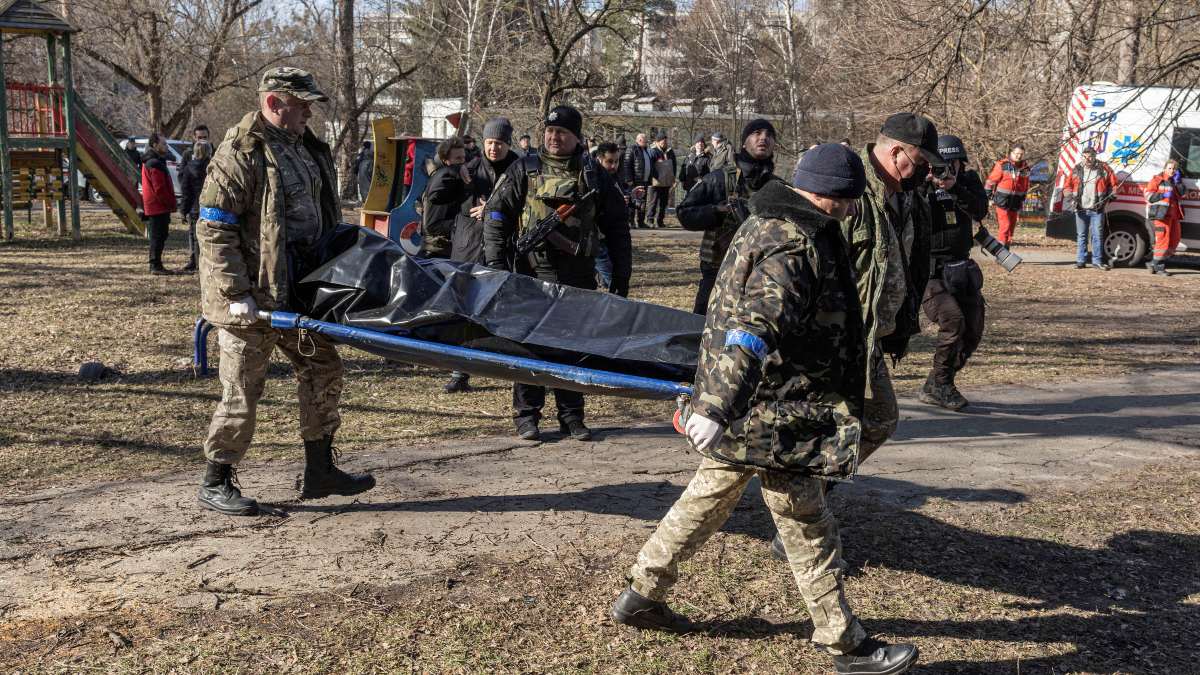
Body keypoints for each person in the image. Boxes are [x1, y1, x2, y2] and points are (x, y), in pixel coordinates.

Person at [610, 144, 919, 675]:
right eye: (845, 201)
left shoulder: (766, 222)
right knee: (806, 519)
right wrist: (716, 406)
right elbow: (754, 330)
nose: (850, 211)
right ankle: (844, 643)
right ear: (824, 195)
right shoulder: (794, 246)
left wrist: (719, 403)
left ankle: (643, 591)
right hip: (776, 409)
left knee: (707, 497)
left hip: (755, 405)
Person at [195, 66, 376, 516]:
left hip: (297, 291)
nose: (309, 113)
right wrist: (237, 291)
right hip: (250, 299)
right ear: (274, 103)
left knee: (323, 368)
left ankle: (320, 471)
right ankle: (216, 480)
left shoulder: (305, 148)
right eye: (302, 105)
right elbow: (215, 229)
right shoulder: (241, 152)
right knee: (242, 389)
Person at [769, 113, 943, 562]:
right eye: (921, 161)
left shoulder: (907, 196)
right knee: (833, 429)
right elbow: (813, 256)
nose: (926, 170)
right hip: (839, 337)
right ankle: (799, 526)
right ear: (896, 152)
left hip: (871, 337)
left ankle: (806, 505)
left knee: (876, 421)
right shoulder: (848, 188)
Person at [482, 104, 629, 442]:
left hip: (578, 273)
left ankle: (572, 416)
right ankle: (527, 416)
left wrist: (621, 276)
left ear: (576, 136)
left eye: (561, 132)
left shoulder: (593, 174)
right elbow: (496, 215)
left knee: (572, 347)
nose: (553, 137)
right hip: (532, 273)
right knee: (530, 345)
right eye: (549, 131)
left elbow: (618, 228)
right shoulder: (525, 168)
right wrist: (496, 268)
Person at [443, 117, 522, 394]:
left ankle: (517, 372)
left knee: (508, 312)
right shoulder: (470, 169)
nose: (493, 148)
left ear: (507, 143)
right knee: (466, 312)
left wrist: (494, 208)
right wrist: (450, 172)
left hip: (505, 250)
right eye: (489, 142)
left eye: (499, 143)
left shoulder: (519, 169)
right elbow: (446, 198)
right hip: (470, 249)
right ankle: (460, 370)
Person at [677, 119, 778, 315]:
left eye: (769, 135)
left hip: (761, 274)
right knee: (701, 327)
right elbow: (684, 213)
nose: (763, 138)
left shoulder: (777, 187)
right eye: (757, 133)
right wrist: (715, 212)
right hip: (718, 270)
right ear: (743, 142)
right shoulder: (719, 179)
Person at [919, 134, 989, 411]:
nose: (947, 169)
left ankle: (937, 382)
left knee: (972, 331)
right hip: (930, 272)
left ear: (961, 163)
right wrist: (927, 186)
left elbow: (980, 209)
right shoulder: (919, 185)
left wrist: (955, 187)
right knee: (953, 321)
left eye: (953, 163)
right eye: (941, 164)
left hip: (961, 268)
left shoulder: (968, 181)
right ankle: (942, 385)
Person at [1061, 146, 1117, 270]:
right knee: (1081, 235)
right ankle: (1081, 261)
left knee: (1097, 235)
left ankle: (1097, 261)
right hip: (1080, 207)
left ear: (1095, 156)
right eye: (1085, 156)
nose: (1088, 159)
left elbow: (1114, 185)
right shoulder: (1076, 169)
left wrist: (1109, 199)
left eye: (1090, 156)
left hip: (1097, 209)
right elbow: (1067, 186)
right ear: (1082, 157)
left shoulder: (1104, 169)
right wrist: (1071, 199)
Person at [592, 141, 634, 296]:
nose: (613, 166)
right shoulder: (593, 180)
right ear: (599, 159)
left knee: (617, 277)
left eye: (616, 161)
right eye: (609, 162)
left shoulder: (614, 178)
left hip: (615, 236)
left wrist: (628, 199)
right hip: (598, 238)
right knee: (611, 278)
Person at [421, 136, 468, 259]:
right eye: (458, 158)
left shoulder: (453, 177)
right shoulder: (443, 183)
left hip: (448, 248)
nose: (463, 162)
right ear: (445, 160)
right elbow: (432, 225)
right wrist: (464, 224)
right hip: (438, 251)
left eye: (464, 157)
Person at [140, 132, 177, 275]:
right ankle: (155, 265)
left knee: (160, 235)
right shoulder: (154, 163)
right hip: (158, 206)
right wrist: (170, 203)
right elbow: (159, 189)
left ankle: (156, 264)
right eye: (163, 143)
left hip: (155, 206)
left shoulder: (153, 161)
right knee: (158, 236)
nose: (166, 146)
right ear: (155, 145)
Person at [1143, 158, 1185, 276]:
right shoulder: (1157, 180)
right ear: (1165, 168)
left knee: (1175, 240)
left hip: (1174, 216)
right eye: (1169, 168)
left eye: (1174, 169)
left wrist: (1178, 182)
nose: (1171, 171)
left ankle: (1153, 262)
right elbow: (1148, 196)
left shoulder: (1175, 181)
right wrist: (1163, 195)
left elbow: (1183, 194)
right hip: (1161, 215)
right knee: (1163, 241)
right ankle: (1159, 266)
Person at [177, 139, 213, 274]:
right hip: (209, 206)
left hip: (194, 207)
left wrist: (183, 210)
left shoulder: (189, 168)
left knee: (194, 236)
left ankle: (196, 262)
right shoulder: (213, 167)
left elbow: (186, 191)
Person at [984, 144, 1030, 246]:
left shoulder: (1025, 168)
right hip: (1002, 201)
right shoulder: (1002, 165)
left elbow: (1026, 184)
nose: (1019, 156)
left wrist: (1023, 197)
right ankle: (1001, 253)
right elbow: (990, 182)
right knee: (1005, 226)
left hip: (1016, 202)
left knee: (1011, 229)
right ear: (1011, 153)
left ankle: (1006, 251)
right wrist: (989, 197)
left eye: (1021, 154)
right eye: (1017, 154)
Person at [621, 133, 652, 228]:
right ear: (639, 140)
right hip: (634, 182)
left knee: (642, 202)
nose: (646, 142)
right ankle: (631, 222)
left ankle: (641, 222)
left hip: (644, 181)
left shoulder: (645, 150)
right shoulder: (632, 149)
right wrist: (629, 179)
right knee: (632, 202)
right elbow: (626, 165)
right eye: (645, 140)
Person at [646, 131, 677, 228]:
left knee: (664, 203)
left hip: (667, 181)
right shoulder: (652, 151)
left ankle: (660, 221)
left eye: (665, 141)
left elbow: (674, 165)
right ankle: (650, 220)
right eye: (662, 141)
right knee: (653, 202)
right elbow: (650, 166)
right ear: (658, 141)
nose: (664, 142)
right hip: (656, 181)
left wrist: (673, 177)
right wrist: (654, 177)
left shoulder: (670, 151)